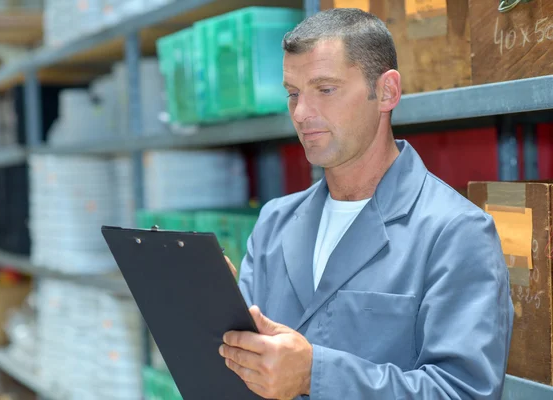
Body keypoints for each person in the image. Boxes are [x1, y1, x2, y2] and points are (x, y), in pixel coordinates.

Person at [219, 7, 514, 400]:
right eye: (293, 93)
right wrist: (217, 316)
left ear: (387, 92)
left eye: (325, 89)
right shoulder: (274, 223)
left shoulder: (455, 233)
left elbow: (463, 392)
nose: (302, 113)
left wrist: (315, 375)